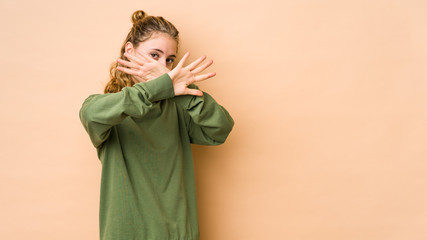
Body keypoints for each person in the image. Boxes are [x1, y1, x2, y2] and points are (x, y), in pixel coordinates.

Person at [79, 10, 234, 240]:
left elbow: (220, 129)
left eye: (169, 60)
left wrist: (182, 91)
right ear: (129, 51)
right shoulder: (108, 108)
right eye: (154, 55)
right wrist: (164, 85)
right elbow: (91, 114)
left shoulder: (179, 107)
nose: (163, 67)